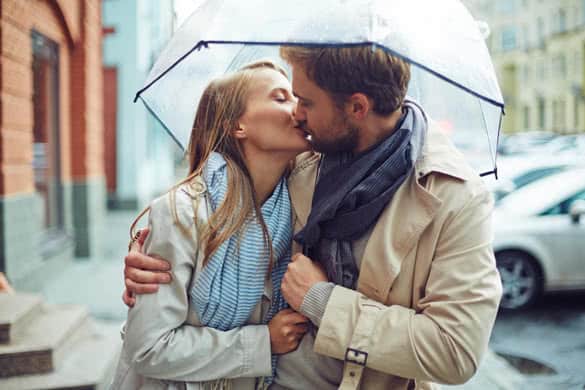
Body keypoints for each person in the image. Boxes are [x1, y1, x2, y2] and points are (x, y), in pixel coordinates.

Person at [124, 45, 503, 390]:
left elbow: (456, 351)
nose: (297, 114)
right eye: (286, 97)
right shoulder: (299, 161)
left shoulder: (454, 197)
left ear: (357, 107)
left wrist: (322, 301)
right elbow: (221, 215)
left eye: (305, 101)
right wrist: (157, 271)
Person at [111, 60, 312, 390]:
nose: (299, 110)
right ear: (238, 126)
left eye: (298, 98)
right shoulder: (181, 212)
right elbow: (147, 348)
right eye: (280, 98)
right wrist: (263, 343)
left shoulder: (300, 209)